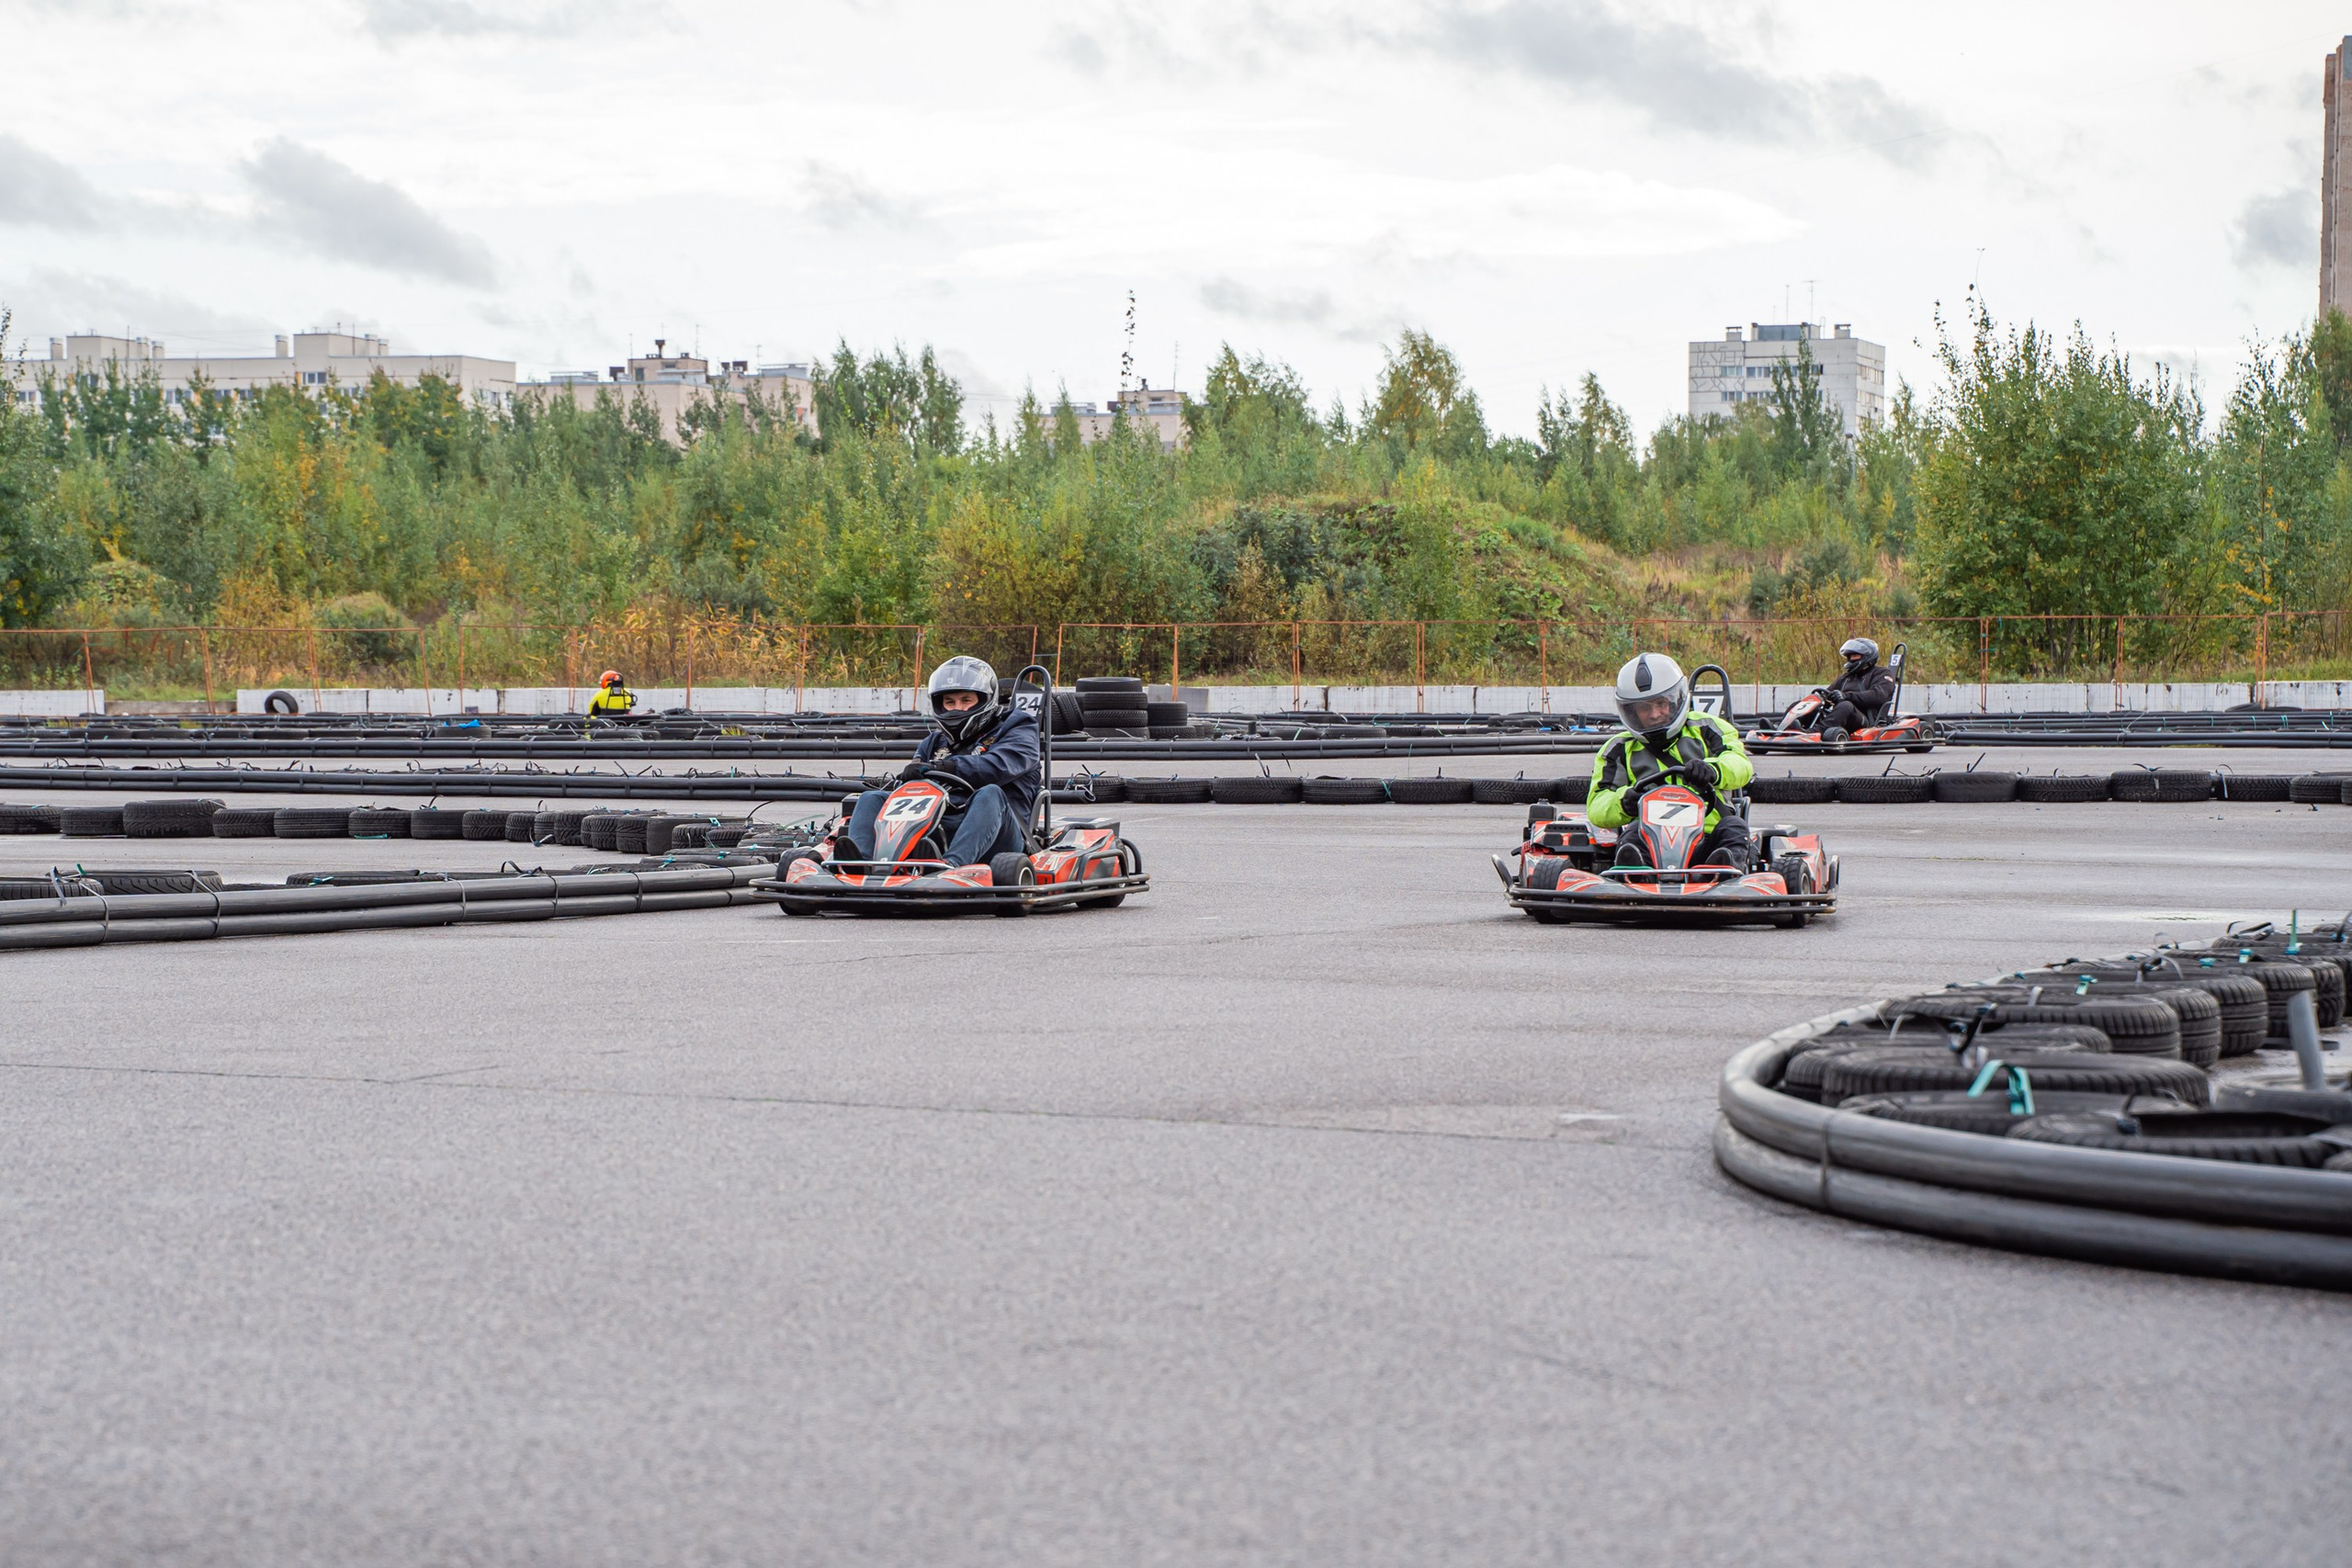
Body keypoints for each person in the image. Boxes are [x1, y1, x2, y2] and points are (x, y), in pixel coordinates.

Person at [835, 655, 1041, 867]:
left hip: (1000, 832)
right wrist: (909, 778)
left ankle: (952, 866)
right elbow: (914, 785)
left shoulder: (1018, 728)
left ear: (985, 700)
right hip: (938, 823)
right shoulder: (934, 742)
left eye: (966, 700)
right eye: (949, 702)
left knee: (990, 793)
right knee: (871, 798)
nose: (957, 708)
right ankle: (862, 864)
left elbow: (999, 766)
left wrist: (948, 767)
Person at [1587, 651, 1758, 872]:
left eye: (1660, 703)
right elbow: (1597, 804)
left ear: (1676, 699)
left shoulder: (1708, 728)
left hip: (1708, 838)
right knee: (1631, 835)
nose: (1655, 714)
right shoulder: (1617, 749)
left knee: (1734, 827)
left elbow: (1741, 764)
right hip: (1650, 840)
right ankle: (1636, 876)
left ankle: (1722, 871)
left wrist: (1712, 770)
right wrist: (1624, 801)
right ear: (1630, 711)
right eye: (1644, 707)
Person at [1810, 637, 1896, 740]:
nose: (1851, 658)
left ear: (1867, 657)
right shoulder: (1846, 677)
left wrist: (1846, 696)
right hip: (1843, 716)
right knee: (1812, 703)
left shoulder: (1882, 673)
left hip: (1867, 721)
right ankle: (1791, 728)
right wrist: (1817, 700)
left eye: (1855, 655)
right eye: (1850, 656)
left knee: (1845, 706)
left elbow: (1878, 695)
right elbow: (1828, 693)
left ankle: (1813, 733)